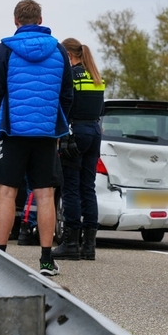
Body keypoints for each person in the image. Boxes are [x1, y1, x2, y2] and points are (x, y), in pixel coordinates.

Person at [0, 0, 73, 276]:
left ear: (16, 21)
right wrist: (56, 122)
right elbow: (68, 94)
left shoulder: (6, 49)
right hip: (46, 134)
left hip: (12, 132)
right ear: (40, 19)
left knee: (6, 193)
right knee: (45, 194)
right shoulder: (59, 50)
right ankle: (46, 260)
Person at [52, 37, 106, 261]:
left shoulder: (70, 76)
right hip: (95, 132)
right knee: (88, 187)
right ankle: (89, 245)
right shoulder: (96, 77)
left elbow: (64, 104)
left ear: (68, 55)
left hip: (75, 133)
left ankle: (71, 242)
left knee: (71, 188)